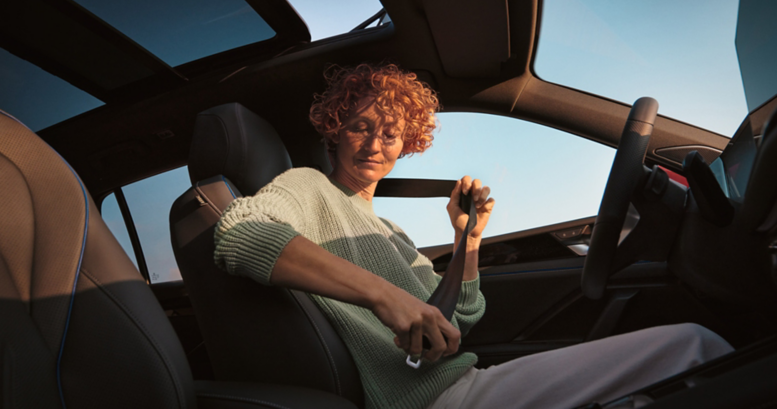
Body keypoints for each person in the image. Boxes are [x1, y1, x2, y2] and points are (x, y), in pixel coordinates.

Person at [214, 63, 733, 409]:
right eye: (358, 126)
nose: (374, 143)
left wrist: (470, 238)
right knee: (696, 347)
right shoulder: (307, 187)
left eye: (389, 133)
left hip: (461, 382)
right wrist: (382, 294)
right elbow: (238, 233)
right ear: (333, 131)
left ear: (406, 144)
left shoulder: (389, 230)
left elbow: (460, 319)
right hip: (437, 400)